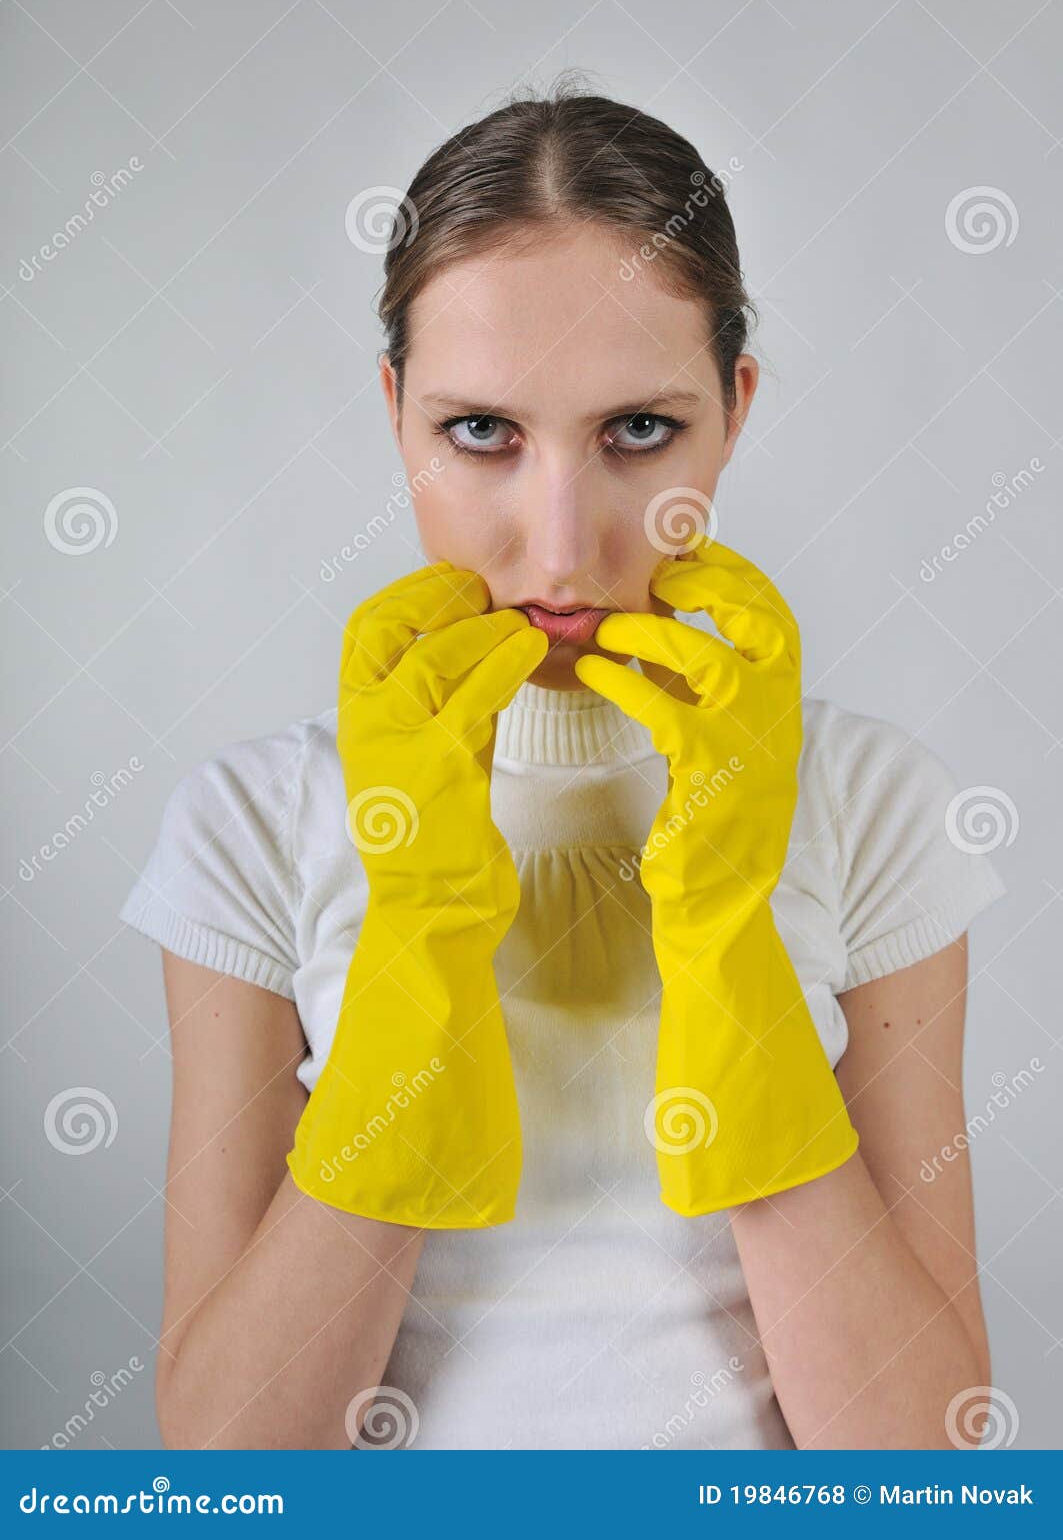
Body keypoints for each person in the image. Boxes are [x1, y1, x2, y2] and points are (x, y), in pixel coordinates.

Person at [118, 78, 1007, 1451]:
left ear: (736, 407)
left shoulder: (871, 802)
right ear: (394, 407)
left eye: (637, 431)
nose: (560, 546)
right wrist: (416, 944)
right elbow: (230, 1464)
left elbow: (921, 1464)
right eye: (482, 432)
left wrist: (729, 944)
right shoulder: (252, 821)